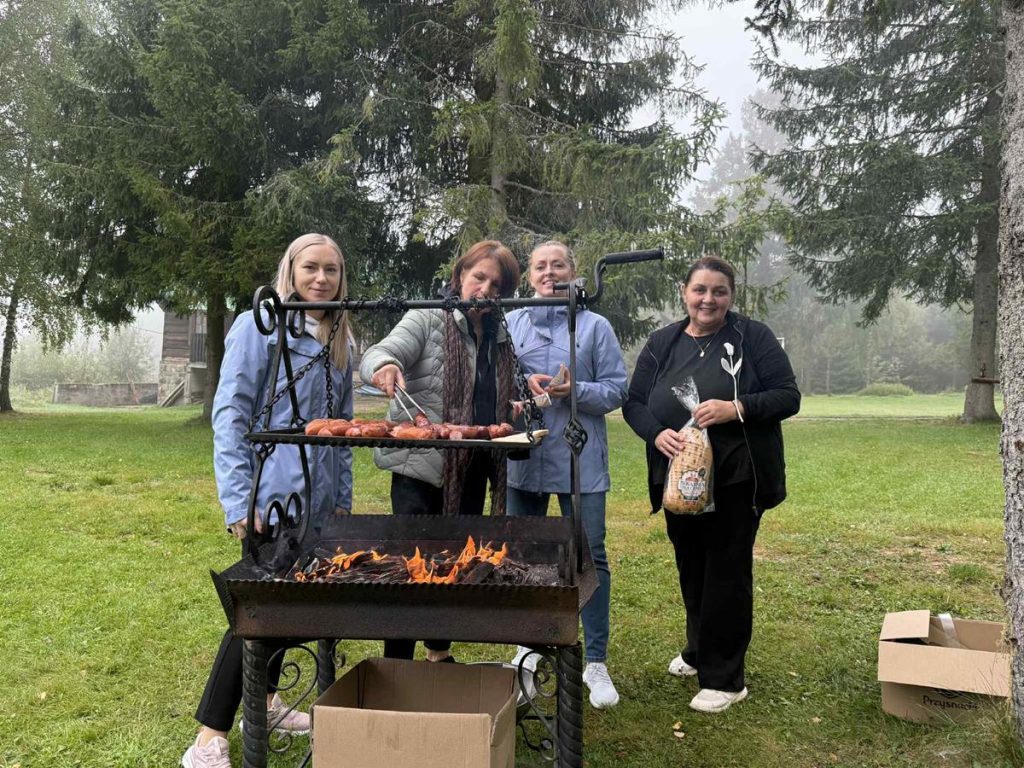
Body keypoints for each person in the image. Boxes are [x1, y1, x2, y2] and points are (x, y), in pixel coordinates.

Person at [182, 233, 354, 768]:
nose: (321, 279)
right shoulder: (259, 327)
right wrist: (239, 501)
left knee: (295, 606)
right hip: (271, 497)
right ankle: (208, 737)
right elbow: (230, 413)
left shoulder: (341, 339)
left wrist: (342, 498)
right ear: (291, 271)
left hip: (320, 504)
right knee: (256, 613)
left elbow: (344, 428)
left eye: (331, 269)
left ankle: (269, 702)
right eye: (311, 267)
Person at [622, 255, 800, 714]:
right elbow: (634, 402)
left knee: (726, 571)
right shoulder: (663, 342)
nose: (708, 299)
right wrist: (655, 433)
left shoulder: (752, 337)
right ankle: (699, 649)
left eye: (719, 291)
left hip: (737, 478)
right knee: (692, 567)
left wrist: (735, 408)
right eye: (700, 289)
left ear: (731, 296)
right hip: (680, 481)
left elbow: (787, 396)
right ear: (685, 293)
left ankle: (725, 679)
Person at [359, 239, 521, 662]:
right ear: (460, 276)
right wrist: (384, 366)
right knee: (410, 567)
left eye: (496, 285)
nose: (485, 290)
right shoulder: (428, 317)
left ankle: (437, 651)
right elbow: (381, 351)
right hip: (421, 470)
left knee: (455, 562)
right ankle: (397, 662)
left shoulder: (500, 336)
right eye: (479, 277)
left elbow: (497, 393)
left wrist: (522, 398)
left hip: (475, 468)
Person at [503, 241, 627, 709]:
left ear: (574, 272)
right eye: (540, 266)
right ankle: (528, 647)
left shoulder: (595, 326)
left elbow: (616, 390)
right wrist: (518, 394)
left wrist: (577, 391)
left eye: (558, 265)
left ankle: (595, 660)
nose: (549, 273)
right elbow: (498, 384)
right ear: (529, 275)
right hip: (526, 458)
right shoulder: (512, 322)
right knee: (524, 557)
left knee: (589, 556)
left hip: (581, 458)